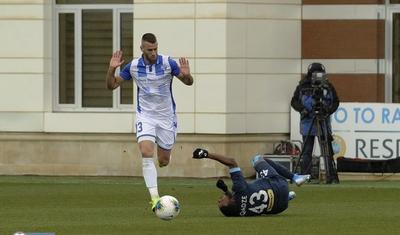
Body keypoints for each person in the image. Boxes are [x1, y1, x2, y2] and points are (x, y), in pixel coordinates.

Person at [106, 33, 193, 210]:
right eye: (149, 50)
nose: (153, 53)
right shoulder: (133, 66)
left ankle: (164, 155)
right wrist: (111, 69)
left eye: (155, 49)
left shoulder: (169, 63)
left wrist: (187, 75)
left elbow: (188, 82)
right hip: (145, 116)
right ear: (142, 49)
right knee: (146, 151)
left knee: (163, 161)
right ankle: (155, 199)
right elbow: (112, 85)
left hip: (166, 117)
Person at [192, 148, 311, 217]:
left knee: (266, 201)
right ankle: (295, 177)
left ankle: (287, 197)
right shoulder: (240, 189)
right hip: (279, 184)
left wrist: (225, 190)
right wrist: (207, 154)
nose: (218, 200)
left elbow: (236, 199)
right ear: (231, 201)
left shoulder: (240, 213)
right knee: (258, 159)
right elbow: (232, 162)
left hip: (280, 207)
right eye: (221, 203)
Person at [290, 62, 339, 183]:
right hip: (308, 122)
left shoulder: (328, 86)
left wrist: (328, 111)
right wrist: (302, 110)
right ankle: (306, 176)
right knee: (307, 150)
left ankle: (331, 176)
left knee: (327, 150)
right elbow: (294, 101)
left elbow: (336, 102)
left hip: (323, 121)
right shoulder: (303, 86)